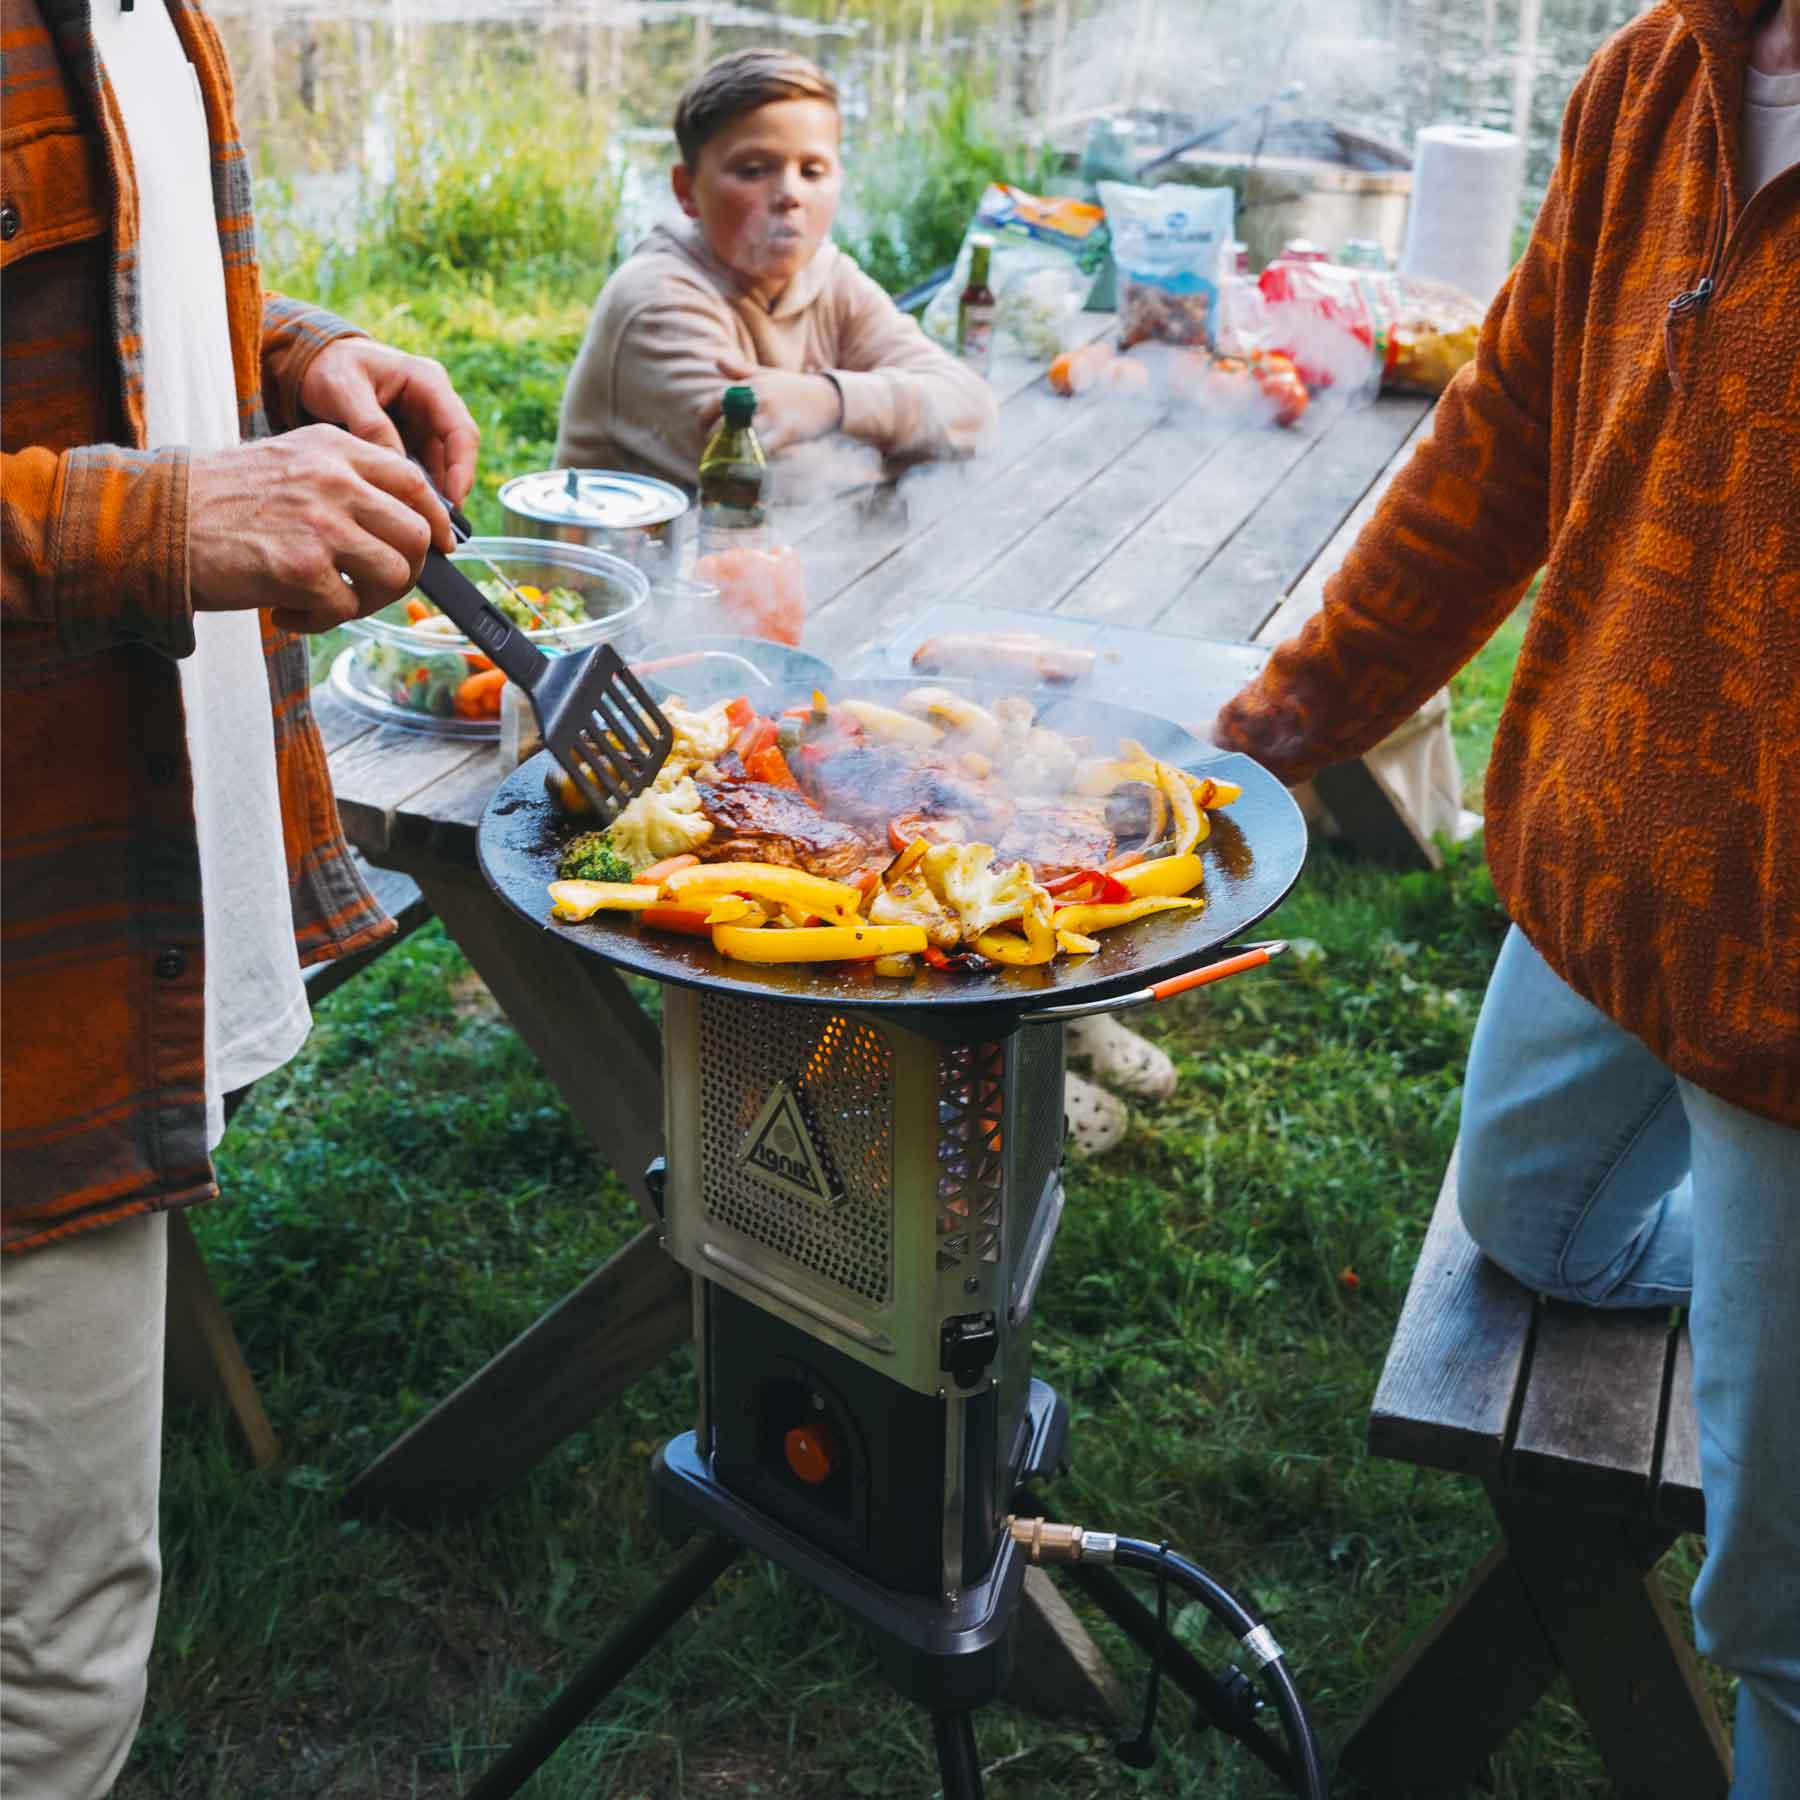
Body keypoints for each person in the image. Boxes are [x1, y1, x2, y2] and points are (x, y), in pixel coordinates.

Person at [1213, 0, 1797, 1786]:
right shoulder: (1658, 72)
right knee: (1541, 1232)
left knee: (1778, 1616)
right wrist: (1289, 720)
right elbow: (1508, 423)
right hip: (1612, 860)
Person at [0, 1, 481, 1791]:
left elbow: (90, 278)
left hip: (126, 873)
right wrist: (157, 523)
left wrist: (289, 354)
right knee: (46, 1669)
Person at [554, 48, 998, 493]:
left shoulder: (829, 279)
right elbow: (787, 485)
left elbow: (973, 408)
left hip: (787, 553)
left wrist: (829, 400)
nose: (789, 194)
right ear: (686, 190)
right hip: (630, 559)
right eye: (753, 170)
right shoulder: (656, 302)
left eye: (812, 170)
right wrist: (919, 440)